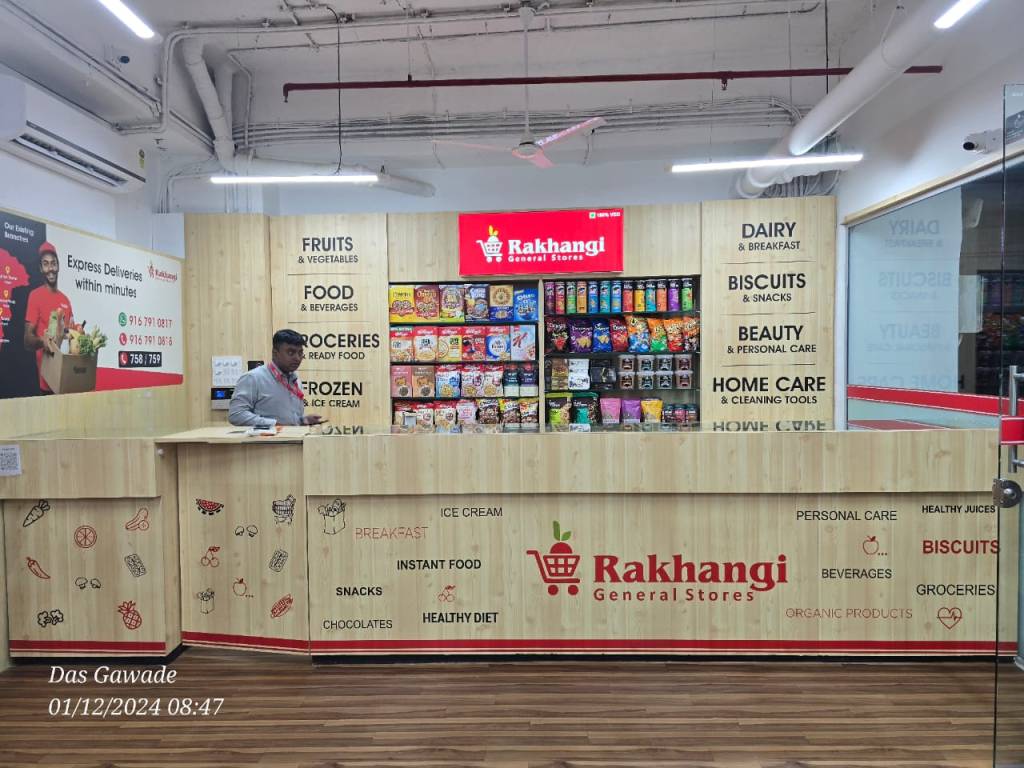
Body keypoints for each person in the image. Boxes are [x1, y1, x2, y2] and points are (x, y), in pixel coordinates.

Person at [229, 329, 325, 428]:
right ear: (275, 353)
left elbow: (287, 420)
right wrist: (273, 424)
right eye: (291, 352)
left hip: (293, 437)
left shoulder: (295, 380)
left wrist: (303, 420)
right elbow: (236, 415)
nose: (297, 358)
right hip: (265, 438)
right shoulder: (253, 378)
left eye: (300, 353)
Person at [23, 241, 73, 394]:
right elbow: (27, 340)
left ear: (58, 266)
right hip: (46, 381)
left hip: (66, 379)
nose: (50, 268)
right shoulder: (35, 296)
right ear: (40, 268)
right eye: (46, 264)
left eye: (53, 263)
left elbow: (70, 335)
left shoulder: (65, 300)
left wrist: (77, 336)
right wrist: (42, 342)